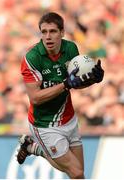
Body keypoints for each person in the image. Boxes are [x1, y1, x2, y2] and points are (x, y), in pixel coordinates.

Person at [17, 12, 104, 179]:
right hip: (44, 124)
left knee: (77, 172)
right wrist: (65, 84)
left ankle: (32, 148)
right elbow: (35, 97)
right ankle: (35, 147)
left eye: (53, 31)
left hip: (69, 118)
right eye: (44, 32)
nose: (48, 37)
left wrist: (94, 79)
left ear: (62, 32)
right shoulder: (32, 58)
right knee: (77, 173)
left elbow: (76, 83)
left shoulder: (71, 49)